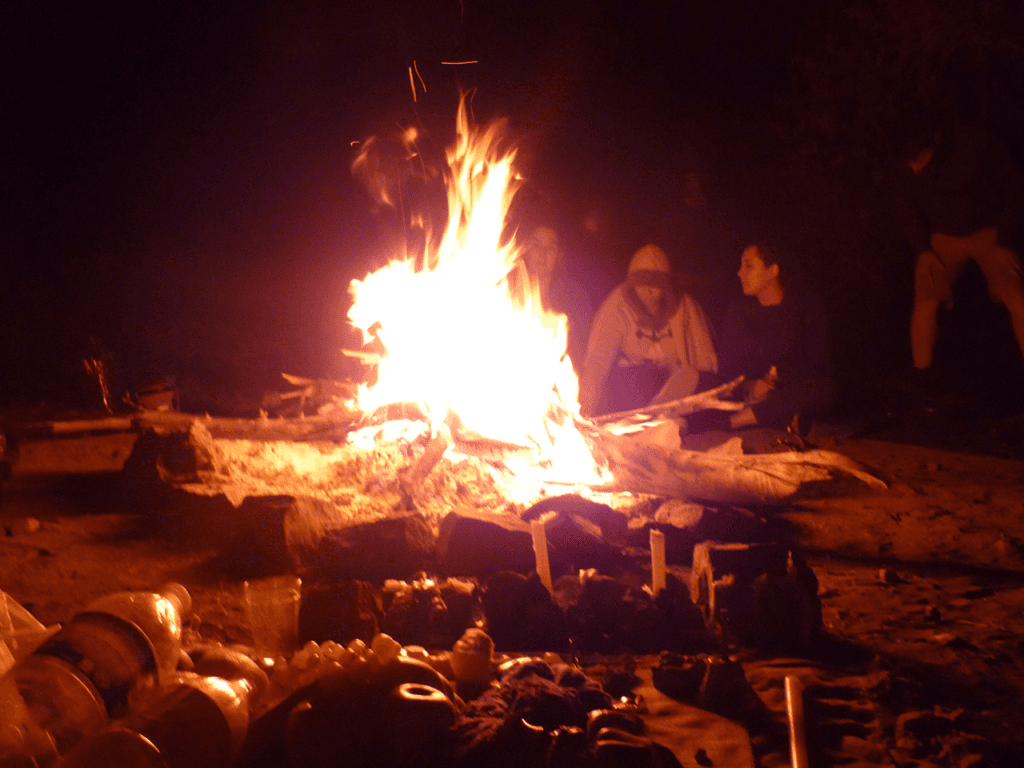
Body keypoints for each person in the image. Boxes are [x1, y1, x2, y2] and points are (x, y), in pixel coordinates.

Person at [892, 115, 1024, 373]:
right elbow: (904, 207)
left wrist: (1006, 241)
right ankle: (923, 378)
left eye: (920, 161)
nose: (915, 169)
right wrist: (922, 251)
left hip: (989, 229)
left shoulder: (974, 142)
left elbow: (1014, 189)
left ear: (935, 143)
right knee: (925, 297)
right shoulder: (905, 158)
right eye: (910, 164)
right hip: (944, 235)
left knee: (1016, 294)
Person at [688, 242, 835, 434]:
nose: (740, 273)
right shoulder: (740, 310)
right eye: (741, 266)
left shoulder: (805, 308)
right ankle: (777, 417)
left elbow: (818, 362)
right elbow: (729, 367)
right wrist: (750, 387)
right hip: (750, 395)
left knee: (824, 388)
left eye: (749, 266)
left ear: (772, 271)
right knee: (706, 382)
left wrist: (778, 384)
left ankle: (736, 422)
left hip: (788, 392)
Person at [579, 244, 718, 417]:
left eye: (655, 284)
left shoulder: (684, 306)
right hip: (633, 386)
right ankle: (651, 417)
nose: (648, 290)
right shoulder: (616, 307)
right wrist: (584, 408)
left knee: (699, 380)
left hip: (675, 385)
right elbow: (597, 362)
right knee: (634, 382)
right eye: (641, 283)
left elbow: (703, 353)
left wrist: (702, 384)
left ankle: (666, 415)